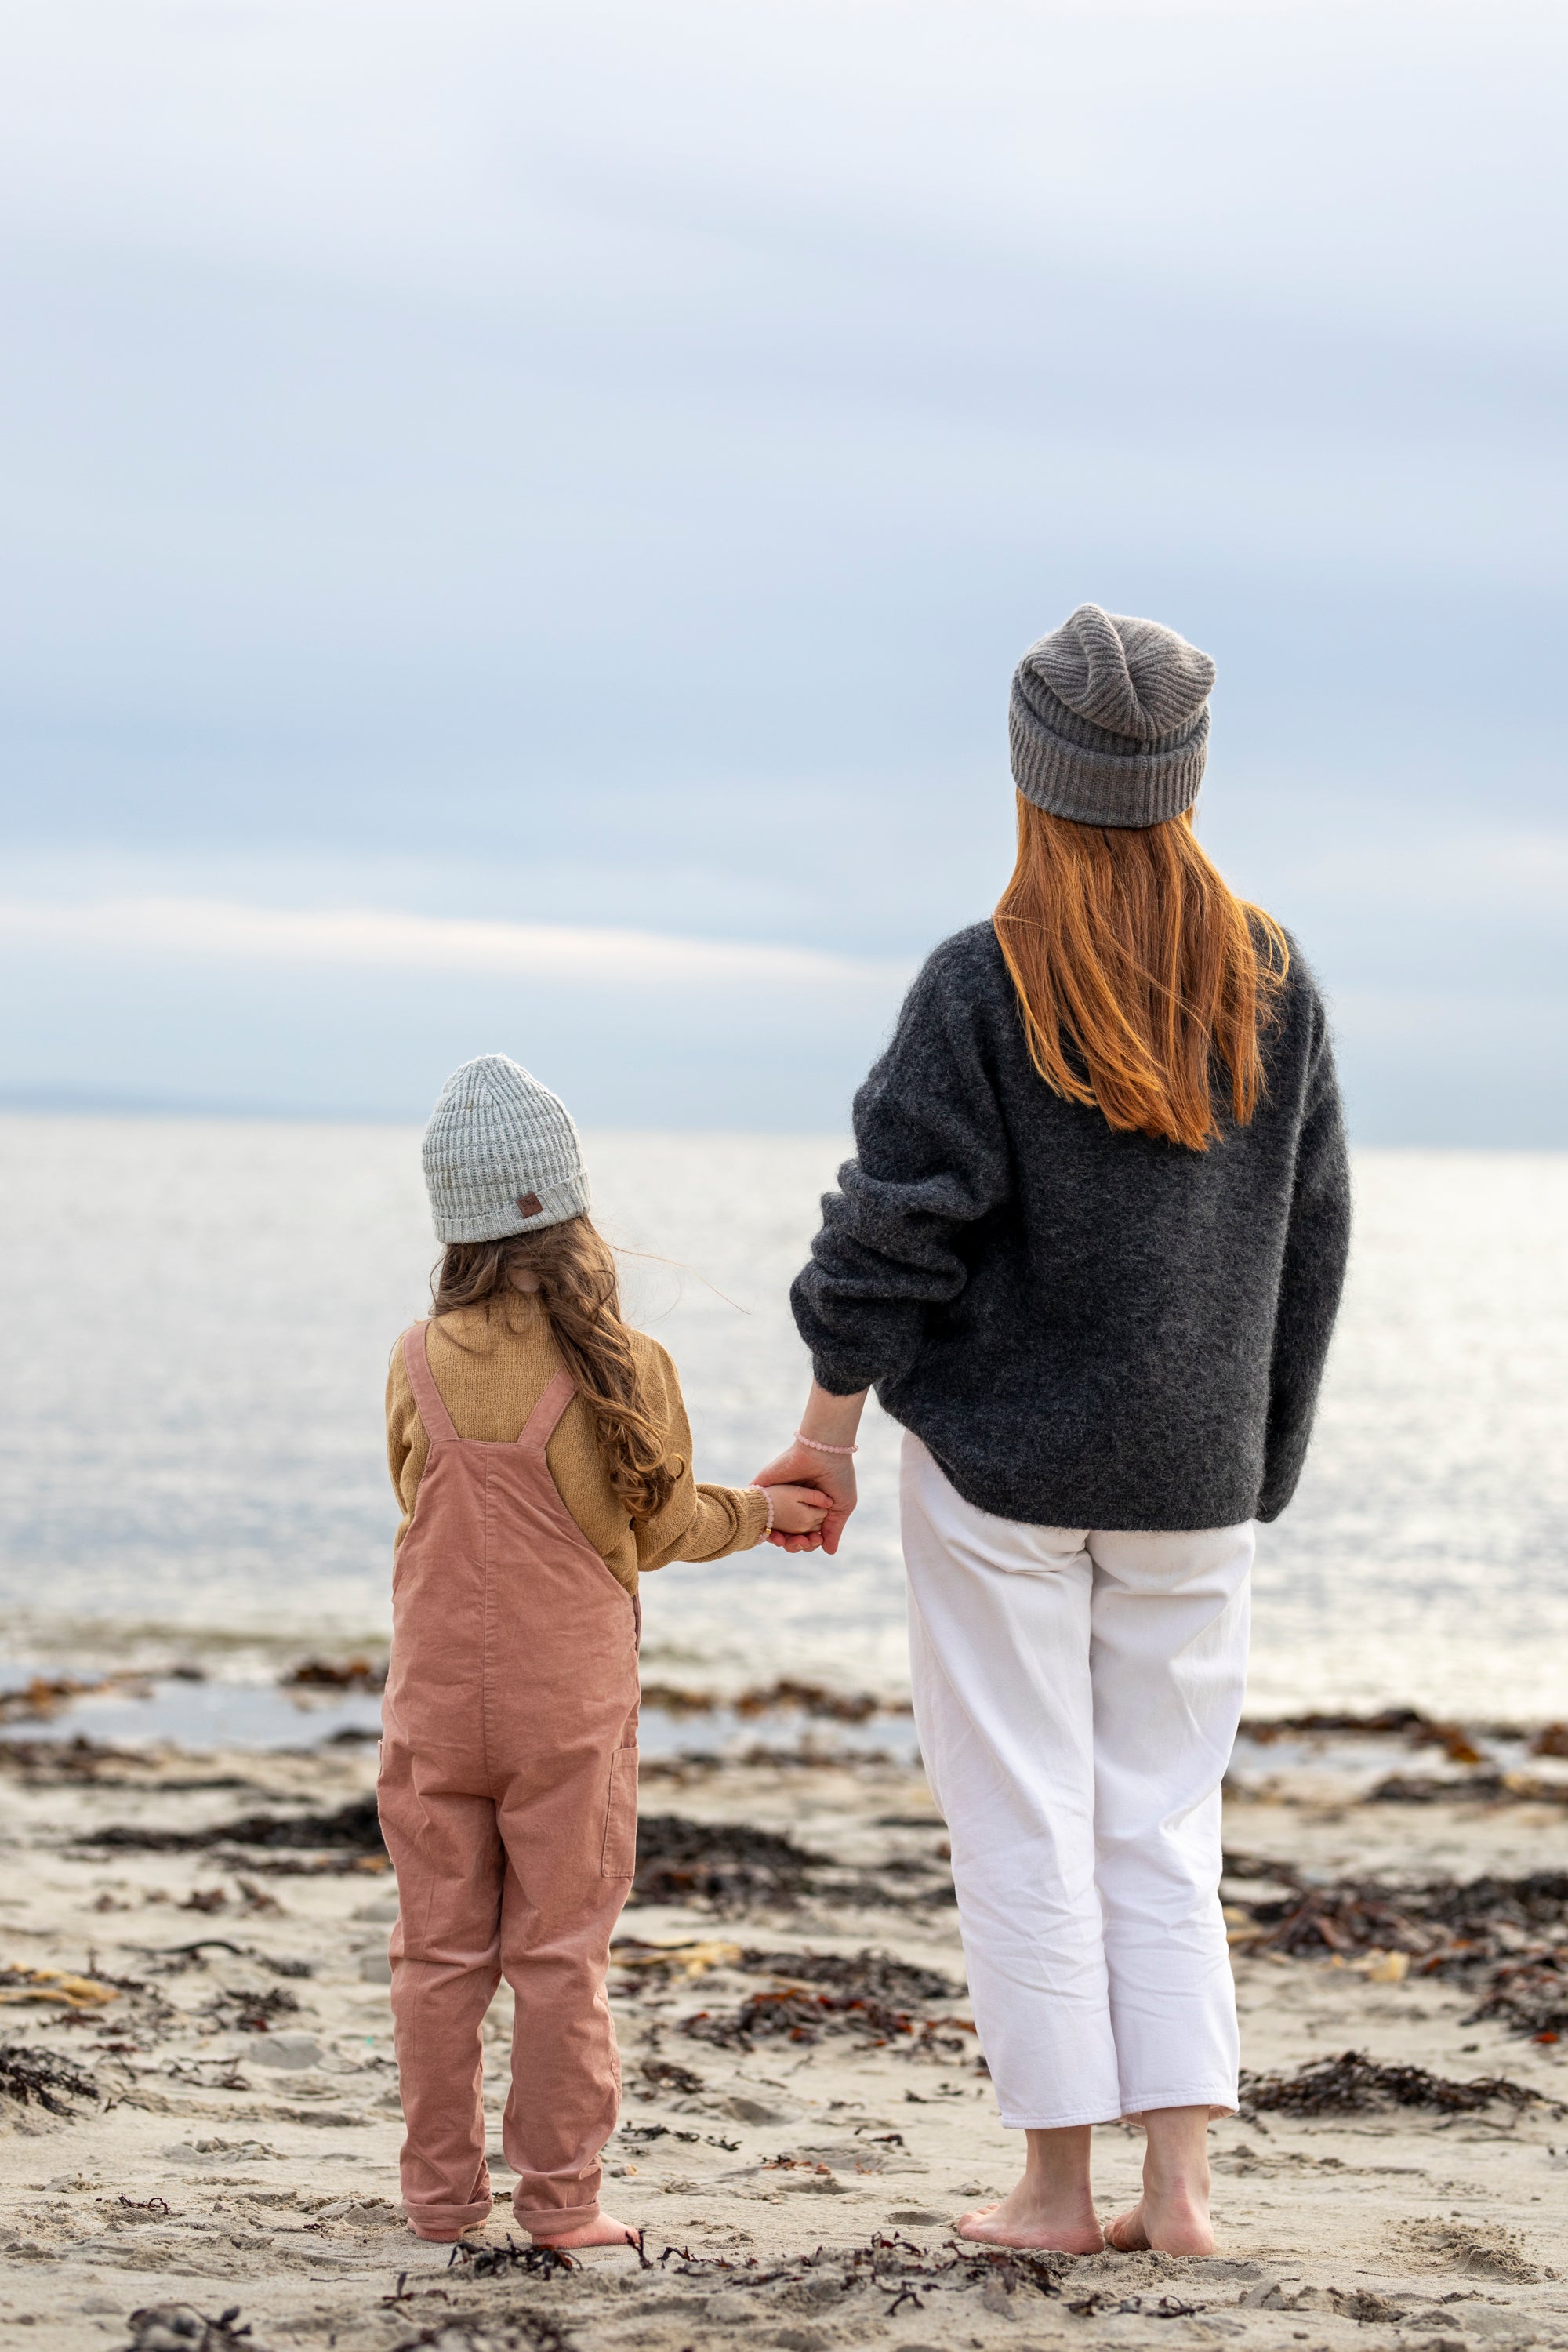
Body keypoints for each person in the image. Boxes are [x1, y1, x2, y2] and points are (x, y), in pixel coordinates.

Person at [753, 604, 1351, 2256]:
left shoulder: (981, 980)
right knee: (1159, 1821)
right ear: (1185, 777)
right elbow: (1312, 1247)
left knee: (1023, 1815)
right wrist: (1254, 1463)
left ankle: (1054, 2191)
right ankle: (1183, 2197)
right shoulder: (1273, 980)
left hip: (1003, 1476)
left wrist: (825, 1436)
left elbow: (891, 1232)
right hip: (1191, 1480)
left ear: (1033, 776)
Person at [380, 1054, 829, 2247]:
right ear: (572, 1207)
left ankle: (438, 2202)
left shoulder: (416, 1358)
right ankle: (564, 2206)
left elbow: (412, 1498)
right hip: (567, 1715)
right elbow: (668, 1526)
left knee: (436, 1954)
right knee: (559, 1957)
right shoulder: (629, 1367)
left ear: (452, 1224)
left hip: (430, 1709)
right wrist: (772, 1511)